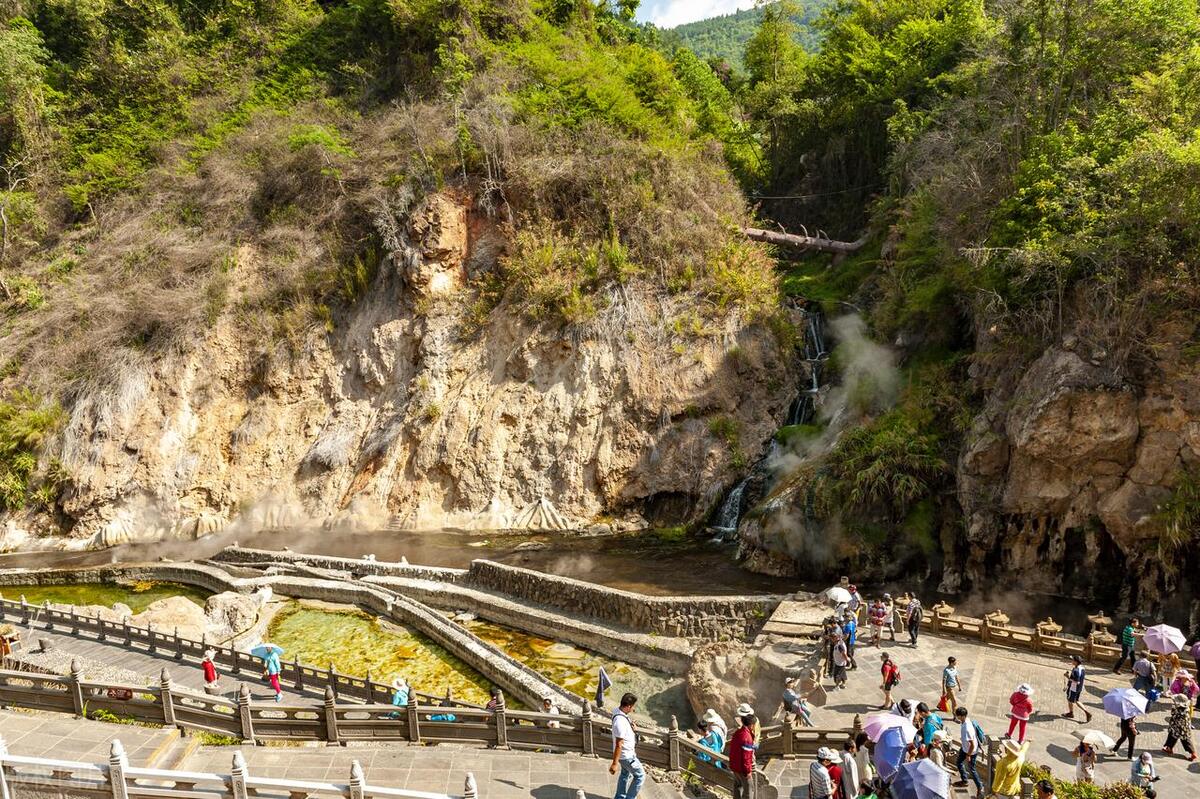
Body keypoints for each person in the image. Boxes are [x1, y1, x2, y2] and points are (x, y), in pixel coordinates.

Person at [609, 693, 644, 799]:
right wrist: (614, 764)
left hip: (624, 756)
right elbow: (619, 744)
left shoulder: (617, 711)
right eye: (633, 706)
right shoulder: (620, 722)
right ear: (628, 706)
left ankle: (619, 797)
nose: (633, 709)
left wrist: (631, 727)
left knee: (625, 774)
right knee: (640, 776)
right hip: (627, 756)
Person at [953, 707, 984, 796]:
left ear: (962, 716)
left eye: (957, 716)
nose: (957, 717)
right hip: (964, 748)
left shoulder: (967, 728)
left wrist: (968, 755)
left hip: (970, 751)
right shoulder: (966, 720)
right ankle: (965, 780)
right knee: (959, 762)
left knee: (972, 770)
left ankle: (979, 786)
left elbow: (972, 744)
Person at [727, 708, 757, 799]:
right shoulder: (747, 737)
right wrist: (747, 771)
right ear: (751, 725)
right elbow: (746, 757)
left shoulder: (738, 733)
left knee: (737, 787)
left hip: (734, 765)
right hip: (742, 769)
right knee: (749, 790)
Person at [1163, 692, 1197, 760]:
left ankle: (1169, 748)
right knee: (1185, 739)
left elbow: (1173, 714)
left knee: (1172, 736)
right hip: (1185, 725)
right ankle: (1192, 752)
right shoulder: (1186, 708)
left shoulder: (1176, 708)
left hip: (1176, 726)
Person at [1063, 654, 1092, 722]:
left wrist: (1067, 677)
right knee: (1076, 700)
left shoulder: (1076, 670)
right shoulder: (1082, 668)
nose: (1071, 661)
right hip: (1079, 688)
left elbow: (1076, 681)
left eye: (1073, 660)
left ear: (1076, 662)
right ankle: (1086, 712)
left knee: (1070, 700)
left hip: (1073, 688)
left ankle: (1071, 713)